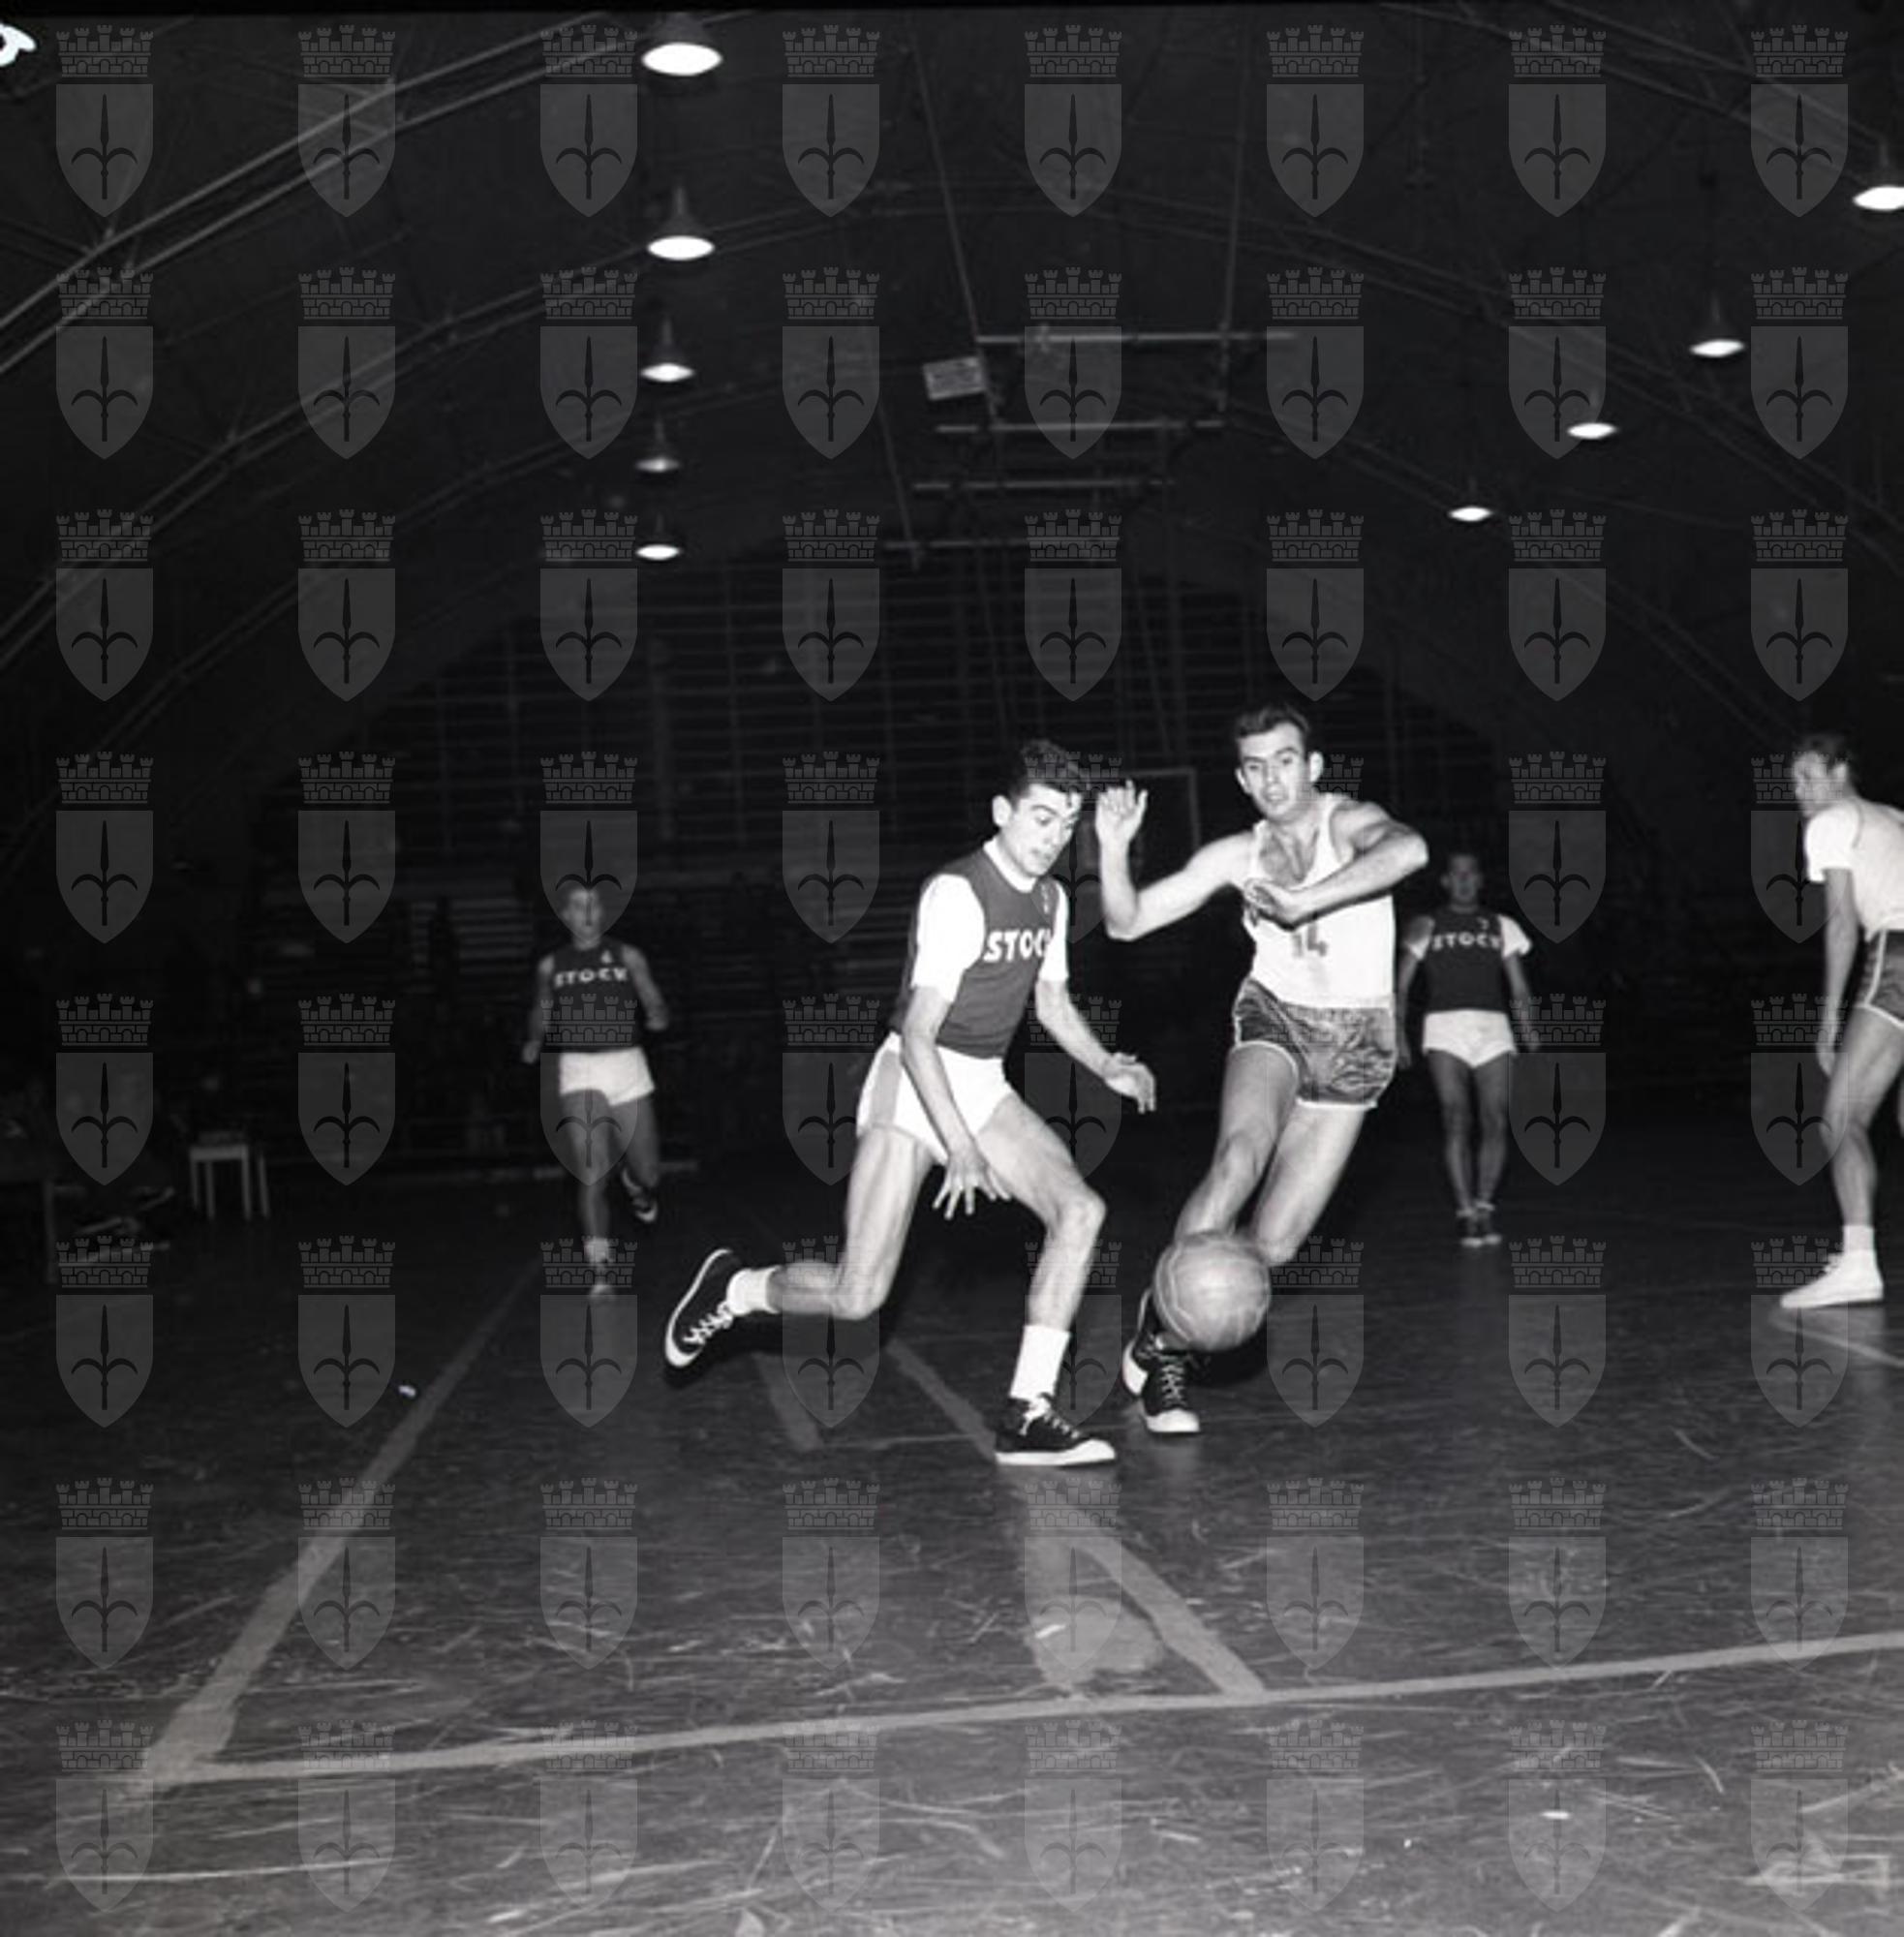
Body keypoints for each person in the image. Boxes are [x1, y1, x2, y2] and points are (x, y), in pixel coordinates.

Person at [666, 741, 1156, 1466]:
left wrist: (1107, 1064)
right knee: (857, 1297)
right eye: (1041, 817)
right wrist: (960, 1146)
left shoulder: (1051, 900)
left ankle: (1026, 1410)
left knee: (1080, 1211)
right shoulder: (957, 893)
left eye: (1066, 822)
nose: (1054, 836)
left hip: (980, 1079)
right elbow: (921, 1035)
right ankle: (735, 1289)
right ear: (1002, 812)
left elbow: (1051, 1003)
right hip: (913, 1078)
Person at [1095, 704, 1428, 1435]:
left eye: (1285, 760)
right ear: (1242, 781)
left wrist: (1305, 901)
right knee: (1237, 1160)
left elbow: (1410, 852)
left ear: (1313, 767)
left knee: (1272, 1247)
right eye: (1256, 767)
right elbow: (1126, 922)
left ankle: (1157, 1323)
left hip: (1357, 1041)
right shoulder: (1236, 856)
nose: (1273, 778)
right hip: (1275, 1016)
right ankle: (1169, 1358)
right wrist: (1113, 849)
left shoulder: (1351, 823)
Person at [1779, 732, 1904, 1309]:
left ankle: (1858, 1265)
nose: (1799, 791)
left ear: (1839, 772)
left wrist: (1827, 1017)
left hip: (1898, 956)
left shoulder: (1830, 823)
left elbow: (1841, 926)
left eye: (1808, 777)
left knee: (1840, 1118)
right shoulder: (1894, 817)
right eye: (1793, 782)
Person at [523, 885, 670, 1296]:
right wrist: (534, 1039)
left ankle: (635, 1184)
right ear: (565, 915)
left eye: (593, 905)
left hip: (626, 1065)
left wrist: (658, 1014)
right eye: (577, 907)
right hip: (579, 1068)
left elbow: (653, 997)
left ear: (603, 912)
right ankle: (601, 1273)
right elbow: (541, 1009)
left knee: (649, 1172)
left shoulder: (628, 955)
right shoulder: (551, 964)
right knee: (590, 1174)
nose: (586, 913)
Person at [1393, 850, 1540, 1247]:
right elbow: (1401, 987)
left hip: (1493, 1026)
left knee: (1495, 1119)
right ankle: (1463, 1212)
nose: (1463, 880)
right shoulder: (1425, 924)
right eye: (1455, 874)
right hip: (1445, 1027)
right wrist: (1398, 1035)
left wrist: (1530, 1032)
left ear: (1480, 880)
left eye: (1470, 873)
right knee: (1456, 1117)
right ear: (1445, 881)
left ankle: (1484, 1206)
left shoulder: (1502, 925)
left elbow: (1519, 988)